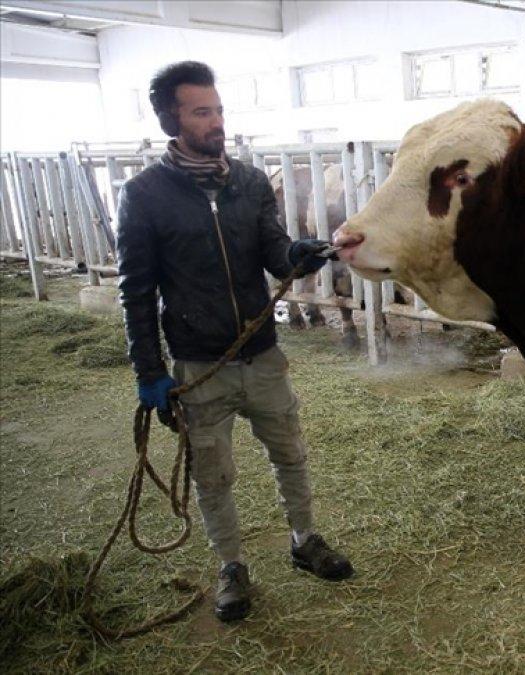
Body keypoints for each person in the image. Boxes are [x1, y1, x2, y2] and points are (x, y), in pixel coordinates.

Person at [116, 61, 353, 623]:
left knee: (290, 454)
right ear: (172, 120)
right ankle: (231, 566)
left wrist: (298, 253)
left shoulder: (247, 181)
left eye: (219, 109)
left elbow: (273, 251)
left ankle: (303, 539)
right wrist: (149, 371)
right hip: (201, 364)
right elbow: (137, 292)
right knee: (213, 474)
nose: (216, 121)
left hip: (262, 353)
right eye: (202, 112)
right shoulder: (144, 195)